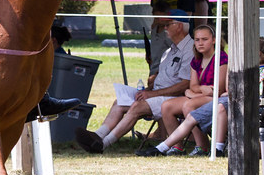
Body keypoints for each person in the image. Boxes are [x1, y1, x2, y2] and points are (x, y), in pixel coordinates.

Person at [77, 9, 193, 153]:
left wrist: (152, 94)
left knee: (137, 107)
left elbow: (184, 84)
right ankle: (98, 135)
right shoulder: (169, 51)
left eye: (168, 25)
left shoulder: (189, 50)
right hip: (156, 94)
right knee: (119, 101)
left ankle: (102, 144)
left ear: (179, 26)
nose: (164, 28)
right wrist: (149, 88)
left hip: (172, 99)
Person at [150, 24, 227, 156]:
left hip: (216, 97)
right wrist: (200, 90)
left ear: (214, 40)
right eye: (197, 40)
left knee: (188, 105)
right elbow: (193, 85)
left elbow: (218, 89)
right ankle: (177, 146)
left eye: (204, 39)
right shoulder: (196, 59)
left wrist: (194, 93)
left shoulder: (222, 58)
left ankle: (202, 146)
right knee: (167, 106)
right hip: (202, 95)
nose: (200, 43)